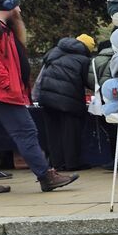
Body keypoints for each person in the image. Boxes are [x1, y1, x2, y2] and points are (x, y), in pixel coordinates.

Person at [0, 0, 77, 194]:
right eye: (16, 5)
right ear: (7, 6)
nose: (19, 9)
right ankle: (46, 176)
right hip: (1, 92)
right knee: (26, 132)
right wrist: (7, 84)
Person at [34, 32, 96, 171]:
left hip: (46, 97)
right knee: (71, 132)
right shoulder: (83, 60)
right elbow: (89, 81)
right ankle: (72, 163)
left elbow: (42, 73)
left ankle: (57, 164)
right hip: (68, 100)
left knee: (53, 132)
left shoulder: (54, 51)